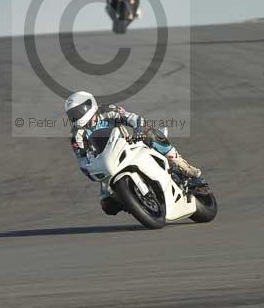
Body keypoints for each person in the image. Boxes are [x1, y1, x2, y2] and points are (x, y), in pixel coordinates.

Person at [64, 91, 202, 215]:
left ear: (88, 106)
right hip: (107, 162)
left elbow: (133, 118)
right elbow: (82, 160)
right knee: (107, 205)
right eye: (71, 115)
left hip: (129, 143)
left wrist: (138, 130)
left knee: (150, 134)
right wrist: (90, 170)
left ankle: (183, 166)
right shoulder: (77, 135)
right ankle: (134, 202)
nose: (75, 117)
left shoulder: (107, 110)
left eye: (76, 113)